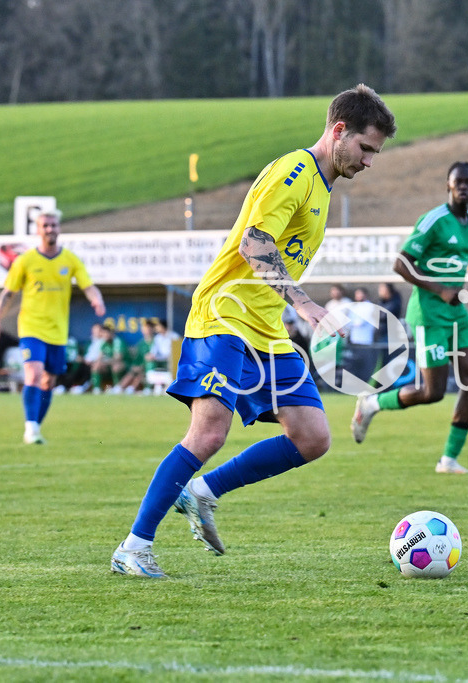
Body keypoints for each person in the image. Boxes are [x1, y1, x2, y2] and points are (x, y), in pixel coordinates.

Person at [111, 84, 397, 578]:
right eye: (366, 149)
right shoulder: (295, 173)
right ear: (338, 131)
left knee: (312, 437)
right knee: (208, 432)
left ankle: (202, 492)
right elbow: (253, 243)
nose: (370, 162)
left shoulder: (322, 188)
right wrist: (304, 304)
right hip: (225, 316)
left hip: (264, 327)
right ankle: (133, 547)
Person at [350, 161, 468, 474]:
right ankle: (371, 404)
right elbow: (401, 264)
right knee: (431, 392)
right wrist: (439, 289)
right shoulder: (434, 220)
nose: (463, 187)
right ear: (448, 186)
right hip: (429, 314)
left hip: (458, 315)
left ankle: (448, 459)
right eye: (457, 182)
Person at [0, 210, 105, 444]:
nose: (50, 229)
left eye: (53, 225)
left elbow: (88, 285)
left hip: (58, 332)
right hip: (31, 328)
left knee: (49, 382)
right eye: (46, 226)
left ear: (58, 228)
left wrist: (97, 299)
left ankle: (36, 427)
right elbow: (7, 293)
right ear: (38, 230)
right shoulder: (25, 261)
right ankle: (30, 428)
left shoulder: (69, 260)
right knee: (34, 374)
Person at [345, 286, 379, 385]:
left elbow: (360, 322)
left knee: (366, 364)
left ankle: (366, 383)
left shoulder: (370, 307)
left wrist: (352, 323)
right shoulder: (354, 307)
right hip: (355, 340)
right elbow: (348, 322)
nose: (359, 296)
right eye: (357, 294)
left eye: (361, 294)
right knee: (356, 364)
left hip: (366, 340)